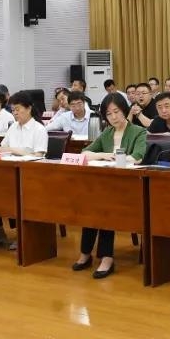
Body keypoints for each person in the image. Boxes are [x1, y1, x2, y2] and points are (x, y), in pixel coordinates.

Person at [70, 94, 149, 278]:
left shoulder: (138, 131)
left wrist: (117, 159)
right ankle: (85, 253)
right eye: (108, 114)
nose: (113, 117)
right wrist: (105, 156)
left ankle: (106, 257)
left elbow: (137, 157)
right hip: (106, 184)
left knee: (105, 207)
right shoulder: (107, 132)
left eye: (116, 112)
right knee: (91, 205)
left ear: (125, 110)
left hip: (129, 187)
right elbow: (84, 153)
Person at [0, 92, 48, 251]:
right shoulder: (13, 127)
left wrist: (13, 150)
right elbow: (3, 148)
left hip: (30, 176)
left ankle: (20, 235)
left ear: (29, 108)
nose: (15, 113)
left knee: (14, 195)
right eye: (13, 110)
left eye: (17, 109)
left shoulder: (39, 129)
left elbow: (39, 155)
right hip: (8, 172)